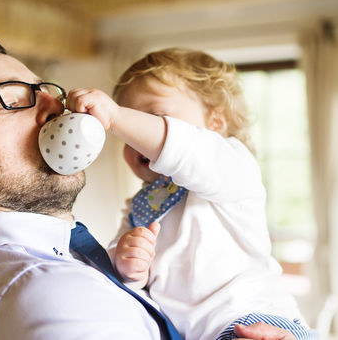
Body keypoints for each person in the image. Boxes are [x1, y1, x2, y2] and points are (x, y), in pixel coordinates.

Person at [0, 35, 302, 340]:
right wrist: (131, 266)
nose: (53, 104)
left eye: (43, 89)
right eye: (9, 97)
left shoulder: (227, 170)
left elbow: (194, 151)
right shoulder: (51, 295)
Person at [66, 48, 316, 340]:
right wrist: (128, 264)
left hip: (255, 322)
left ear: (215, 124)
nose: (135, 134)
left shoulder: (232, 167)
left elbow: (184, 149)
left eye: (155, 118)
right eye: (127, 130)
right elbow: (128, 281)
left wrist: (118, 116)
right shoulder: (142, 205)